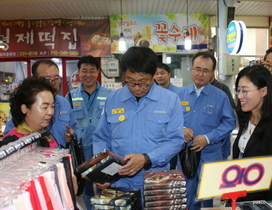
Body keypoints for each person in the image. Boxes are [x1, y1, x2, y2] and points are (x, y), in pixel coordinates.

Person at [92, 46, 184, 207]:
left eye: (143, 83)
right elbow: (101, 138)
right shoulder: (113, 99)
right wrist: (103, 171)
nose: (136, 88)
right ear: (124, 75)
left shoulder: (171, 100)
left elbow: (175, 141)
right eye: (131, 82)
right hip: (119, 181)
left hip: (156, 183)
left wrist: (146, 158)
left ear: (154, 74)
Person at [177, 51, 236, 210]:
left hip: (210, 154)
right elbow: (169, 121)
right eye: (197, 69)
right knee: (187, 194)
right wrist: (180, 129)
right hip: (185, 155)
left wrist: (208, 138)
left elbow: (230, 122)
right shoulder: (179, 95)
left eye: (205, 70)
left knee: (207, 197)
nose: (200, 74)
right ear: (191, 69)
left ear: (212, 73)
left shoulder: (220, 96)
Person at [65, 55, 112, 210]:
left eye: (92, 71)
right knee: (86, 185)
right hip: (82, 148)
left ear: (98, 72)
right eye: (84, 71)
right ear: (78, 72)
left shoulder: (110, 94)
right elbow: (67, 120)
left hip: (103, 148)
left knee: (104, 184)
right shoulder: (71, 96)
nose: (88, 75)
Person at [4, 59, 77, 148]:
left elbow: (74, 127)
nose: (53, 83)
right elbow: (10, 137)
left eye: (56, 79)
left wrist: (71, 135)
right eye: (44, 107)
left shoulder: (64, 103)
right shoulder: (26, 103)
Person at [232, 65, 272, 202]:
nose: (239, 96)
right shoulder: (245, 118)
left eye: (245, 91)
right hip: (242, 196)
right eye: (238, 90)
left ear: (263, 91)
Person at [0, 77, 57, 147]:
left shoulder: (45, 135)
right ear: (25, 109)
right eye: (45, 107)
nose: (51, 112)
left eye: (52, 106)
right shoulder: (13, 143)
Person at [154, 62, 180, 169]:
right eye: (156, 74)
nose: (159, 76)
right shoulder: (151, 94)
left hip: (172, 138)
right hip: (156, 139)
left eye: (162, 73)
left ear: (169, 74)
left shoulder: (178, 93)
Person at [210, 73, 236, 160]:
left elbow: (231, 113)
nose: (201, 74)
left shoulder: (222, 89)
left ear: (212, 71)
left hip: (220, 139)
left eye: (206, 70)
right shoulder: (187, 92)